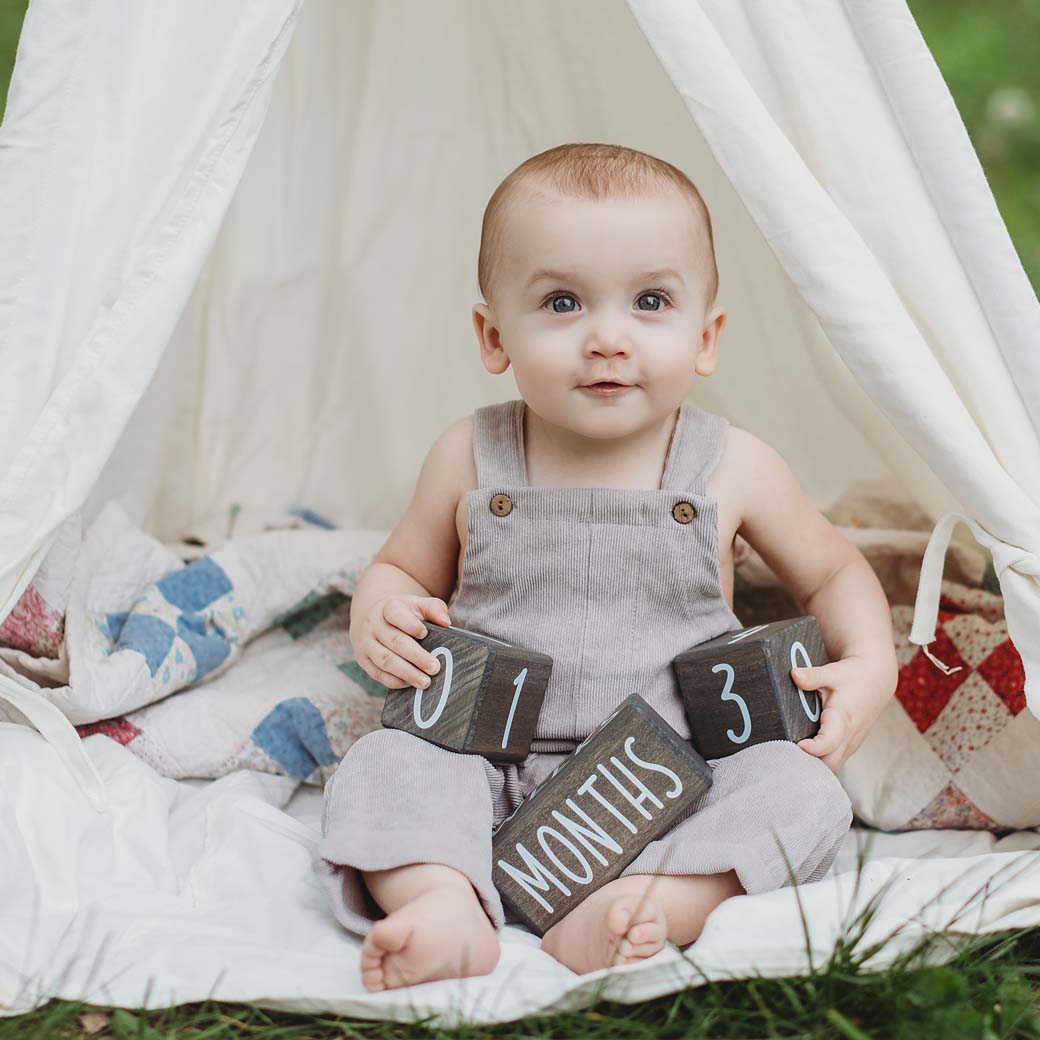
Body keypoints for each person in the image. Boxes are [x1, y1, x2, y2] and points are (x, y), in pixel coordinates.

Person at [314, 143, 898, 992]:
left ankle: (651, 901)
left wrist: (870, 662)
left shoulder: (732, 465)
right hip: (488, 764)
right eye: (562, 302)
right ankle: (445, 903)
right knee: (383, 765)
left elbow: (834, 571)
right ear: (492, 335)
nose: (608, 338)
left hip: (681, 776)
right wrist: (384, 608)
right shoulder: (471, 455)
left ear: (706, 338)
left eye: (651, 302)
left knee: (800, 792)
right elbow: (403, 566)